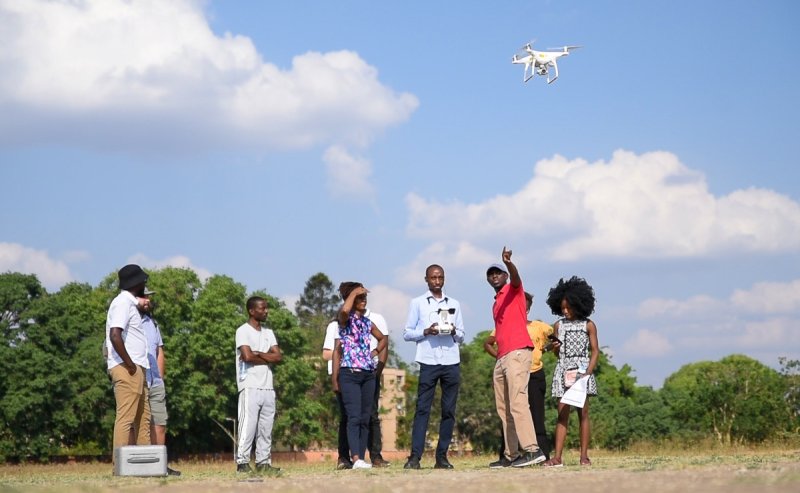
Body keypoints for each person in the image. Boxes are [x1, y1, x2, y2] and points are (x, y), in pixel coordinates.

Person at [485, 247, 546, 468]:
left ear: (505, 276)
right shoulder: (496, 301)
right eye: (491, 274)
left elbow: (517, 277)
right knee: (504, 408)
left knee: (518, 401)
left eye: (498, 273)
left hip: (518, 351)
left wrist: (508, 262)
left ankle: (532, 449)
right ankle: (511, 455)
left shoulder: (514, 289)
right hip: (502, 356)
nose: (494, 276)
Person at [402, 264, 464, 470]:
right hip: (428, 361)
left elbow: (462, 336)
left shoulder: (454, 303)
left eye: (440, 277)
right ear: (426, 279)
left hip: (450, 361)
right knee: (422, 410)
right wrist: (426, 331)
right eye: (433, 278)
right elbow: (407, 333)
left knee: (448, 411)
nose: (437, 281)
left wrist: (454, 330)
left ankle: (442, 457)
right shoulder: (418, 303)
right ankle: (414, 457)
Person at [322, 298, 390, 469]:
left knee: (365, 418)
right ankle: (353, 457)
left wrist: (374, 352)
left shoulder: (367, 322)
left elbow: (383, 339)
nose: (364, 301)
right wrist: (334, 379)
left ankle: (360, 459)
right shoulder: (342, 322)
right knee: (352, 417)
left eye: (365, 298)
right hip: (349, 373)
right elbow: (336, 352)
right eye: (359, 299)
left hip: (367, 373)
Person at [542, 276, 599, 467]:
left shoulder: (588, 325)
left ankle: (584, 456)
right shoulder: (558, 325)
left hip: (582, 372)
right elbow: (557, 353)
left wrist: (588, 372)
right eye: (563, 307)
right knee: (562, 413)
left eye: (569, 307)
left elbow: (595, 350)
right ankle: (557, 457)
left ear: (579, 304)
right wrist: (554, 347)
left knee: (582, 413)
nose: (565, 311)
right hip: (563, 370)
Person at [106, 264, 151, 465]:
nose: (145, 284)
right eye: (143, 281)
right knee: (126, 418)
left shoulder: (130, 304)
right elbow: (115, 335)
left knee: (143, 419)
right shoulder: (122, 303)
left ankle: (145, 466)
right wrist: (130, 365)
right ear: (137, 283)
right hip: (127, 368)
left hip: (137, 367)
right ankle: (120, 466)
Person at [235, 296, 283, 474]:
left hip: (268, 387)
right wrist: (266, 356)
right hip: (249, 385)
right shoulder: (243, 331)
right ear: (251, 311)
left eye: (266, 308)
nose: (266, 311)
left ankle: (263, 463)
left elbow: (278, 357)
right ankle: (242, 462)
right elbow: (247, 357)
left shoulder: (268, 332)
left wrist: (258, 353)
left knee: (266, 427)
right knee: (248, 425)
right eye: (262, 308)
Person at [139, 289, 181, 476]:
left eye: (149, 297)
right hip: (137, 379)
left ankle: (159, 466)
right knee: (137, 424)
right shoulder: (125, 319)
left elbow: (159, 351)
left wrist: (160, 379)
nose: (148, 300)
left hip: (154, 380)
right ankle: (137, 465)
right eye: (144, 296)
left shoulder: (152, 323)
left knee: (159, 423)